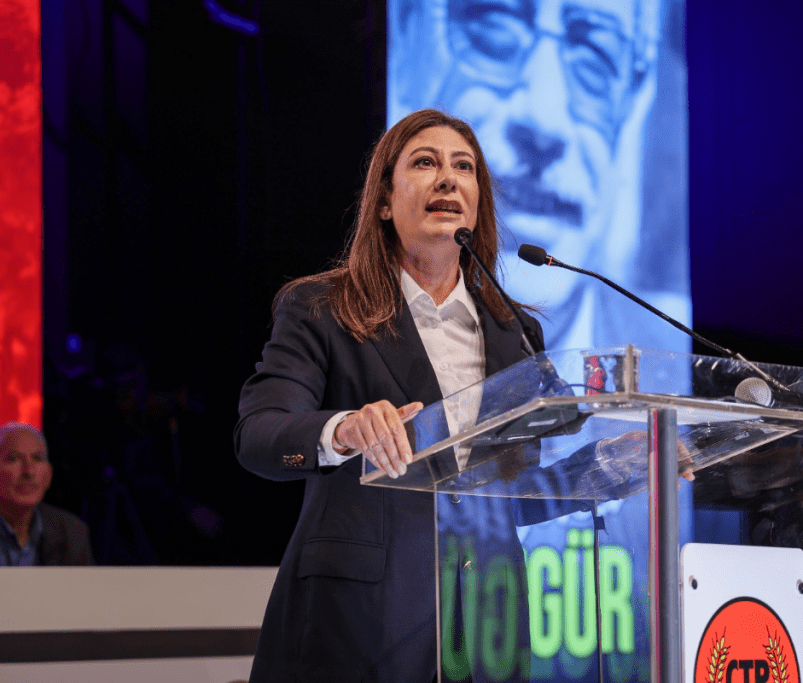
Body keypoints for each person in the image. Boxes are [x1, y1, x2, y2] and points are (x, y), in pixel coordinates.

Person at [236, 109, 554, 683]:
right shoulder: (323, 309)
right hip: (358, 627)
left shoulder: (517, 332)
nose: (448, 178)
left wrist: (622, 459)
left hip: (486, 629)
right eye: (425, 163)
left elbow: (523, 487)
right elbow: (259, 434)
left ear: (478, 203)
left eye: (464, 167)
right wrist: (343, 430)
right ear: (384, 201)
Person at [388, 0, 690, 352]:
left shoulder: (670, 359)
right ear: (407, 36)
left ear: (635, 106)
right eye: (495, 28)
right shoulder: (342, 337)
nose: (544, 121)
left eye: (595, 59)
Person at [0, 421, 94, 566]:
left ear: (48, 475)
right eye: (14, 458)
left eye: (37, 458)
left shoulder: (72, 532)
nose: (28, 471)